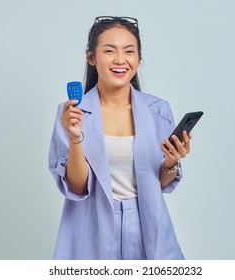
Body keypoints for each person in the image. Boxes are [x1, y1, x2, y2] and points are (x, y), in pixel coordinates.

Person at [48, 16, 192, 260]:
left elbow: (161, 183)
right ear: (91, 57)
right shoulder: (72, 114)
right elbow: (78, 187)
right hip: (93, 226)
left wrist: (171, 162)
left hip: (147, 223)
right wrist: (75, 139)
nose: (120, 60)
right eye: (109, 50)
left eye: (129, 51)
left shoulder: (159, 110)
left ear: (138, 59)